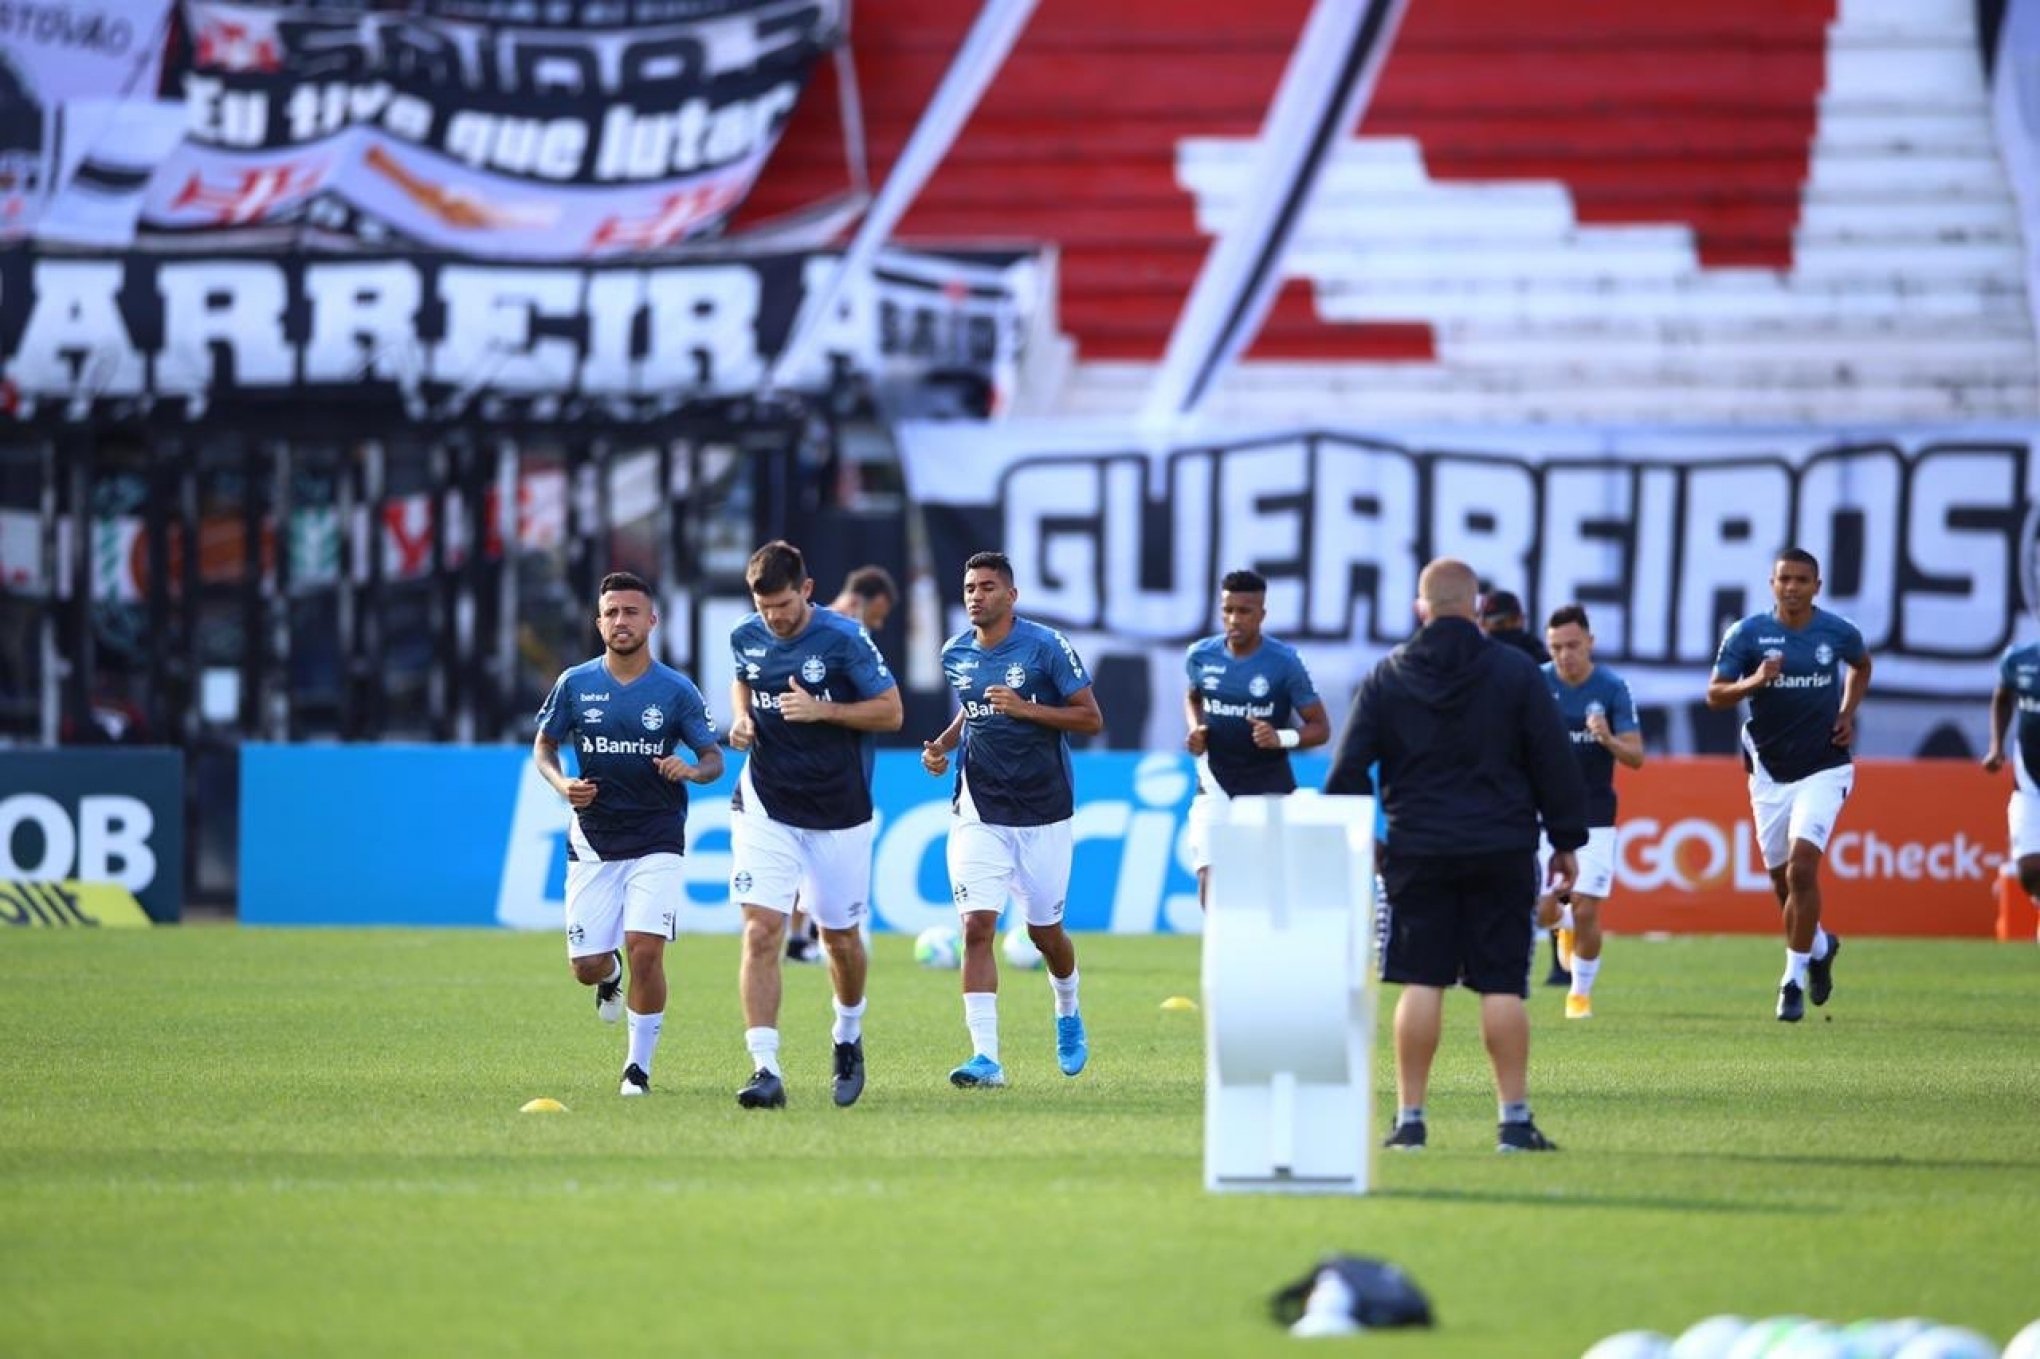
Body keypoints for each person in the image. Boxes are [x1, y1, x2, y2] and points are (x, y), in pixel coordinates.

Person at [1325, 557, 1586, 1153]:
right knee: (1502, 985)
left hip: (1418, 851)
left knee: (1422, 981)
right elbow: (1554, 762)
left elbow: (1345, 775)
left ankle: (1410, 1122)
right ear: (1475, 607)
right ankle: (1514, 1123)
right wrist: (1566, 840)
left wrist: (1371, 844)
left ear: (1421, 607)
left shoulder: (1387, 676)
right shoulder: (1517, 673)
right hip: (1502, 848)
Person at [532, 571, 724, 1097]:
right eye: (611, 613)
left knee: (647, 949)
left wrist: (690, 770)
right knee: (587, 967)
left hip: (658, 836)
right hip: (594, 838)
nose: (621, 622)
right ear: (599, 622)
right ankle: (608, 975)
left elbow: (713, 759)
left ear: (652, 621)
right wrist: (562, 783)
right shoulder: (575, 683)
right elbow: (543, 747)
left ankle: (636, 1069)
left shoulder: (675, 690)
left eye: (631, 612)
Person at [727, 540, 903, 1109]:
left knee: (841, 940)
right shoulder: (745, 636)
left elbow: (892, 711)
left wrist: (823, 710)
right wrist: (740, 718)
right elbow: (743, 678)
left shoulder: (846, 639)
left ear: (805, 590)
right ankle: (764, 1068)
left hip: (838, 809)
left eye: (782, 604)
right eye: (763, 607)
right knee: (761, 932)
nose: (773, 618)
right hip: (765, 803)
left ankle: (847, 1035)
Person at [920, 550, 1104, 1088]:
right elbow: (973, 706)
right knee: (977, 926)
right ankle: (986, 1059)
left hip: (1043, 810)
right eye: (969, 586)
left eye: (987, 587)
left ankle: (1067, 1008)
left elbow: (1091, 718)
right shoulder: (955, 652)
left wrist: (1027, 709)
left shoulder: (1046, 647)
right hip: (978, 807)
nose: (975, 595)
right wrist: (943, 746)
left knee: (1045, 933)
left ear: (1012, 596)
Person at [1706, 548, 1872, 1022]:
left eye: (1802, 579)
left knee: (1802, 871)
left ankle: (1790, 981)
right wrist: (1754, 680)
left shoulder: (1836, 632)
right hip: (1769, 772)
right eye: (1785, 579)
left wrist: (1845, 713)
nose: (1793, 587)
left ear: (1817, 585)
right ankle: (1820, 946)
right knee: (1783, 885)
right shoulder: (1748, 634)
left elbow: (1862, 665)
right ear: (1772, 583)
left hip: (1825, 765)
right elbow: (1715, 694)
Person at [1182, 568, 1332, 907]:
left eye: (1244, 611)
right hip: (1215, 780)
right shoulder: (1200, 655)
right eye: (1228, 610)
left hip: (1267, 782)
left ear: (1261, 614)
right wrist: (1196, 727)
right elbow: (1193, 696)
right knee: (1211, 874)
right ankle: (1222, 959)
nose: (1234, 619)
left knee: (1270, 883)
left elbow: (1320, 727)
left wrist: (1281, 738)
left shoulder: (1284, 663)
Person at [781, 564, 905, 968]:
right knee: (817, 857)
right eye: (878, 614)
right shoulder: (829, 638)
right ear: (857, 603)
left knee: (808, 858)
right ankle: (820, 932)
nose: (880, 623)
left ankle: (802, 938)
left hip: (844, 768)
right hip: (823, 773)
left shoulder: (848, 643)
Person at [1536, 604, 1645, 1020]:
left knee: (1586, 908)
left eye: (1573, 646)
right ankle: (1559, 924)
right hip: (1542, 813)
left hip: (1594, 814)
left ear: (1590, 643)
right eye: (1556, 647)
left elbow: (1635, 756)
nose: (1565, 655)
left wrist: (1608, 739)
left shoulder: (1612, 688)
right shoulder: (1536, 683)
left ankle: (1578, 996)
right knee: (1545, 909)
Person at [1481, 587, 1566, 985]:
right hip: (1541, 777)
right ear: (1522, 618)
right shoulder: (1542, 660)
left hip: (1494, 780)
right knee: (1553, 873)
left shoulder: (1482, 659)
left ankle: (1487, 956)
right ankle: (1560, 962)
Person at [1983, 640, 2040, 940]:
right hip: (2030, 781)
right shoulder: (2020, 659)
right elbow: (2003, 696)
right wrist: (1996, 746)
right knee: (2029, 870)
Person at [1480, 589, 1551, 664]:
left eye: (1512, 621)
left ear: (1522, 619)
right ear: (1482, 624)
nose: (1507, 627)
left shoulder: (1536, 653)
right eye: (1499, 624)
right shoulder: (1477, 659)